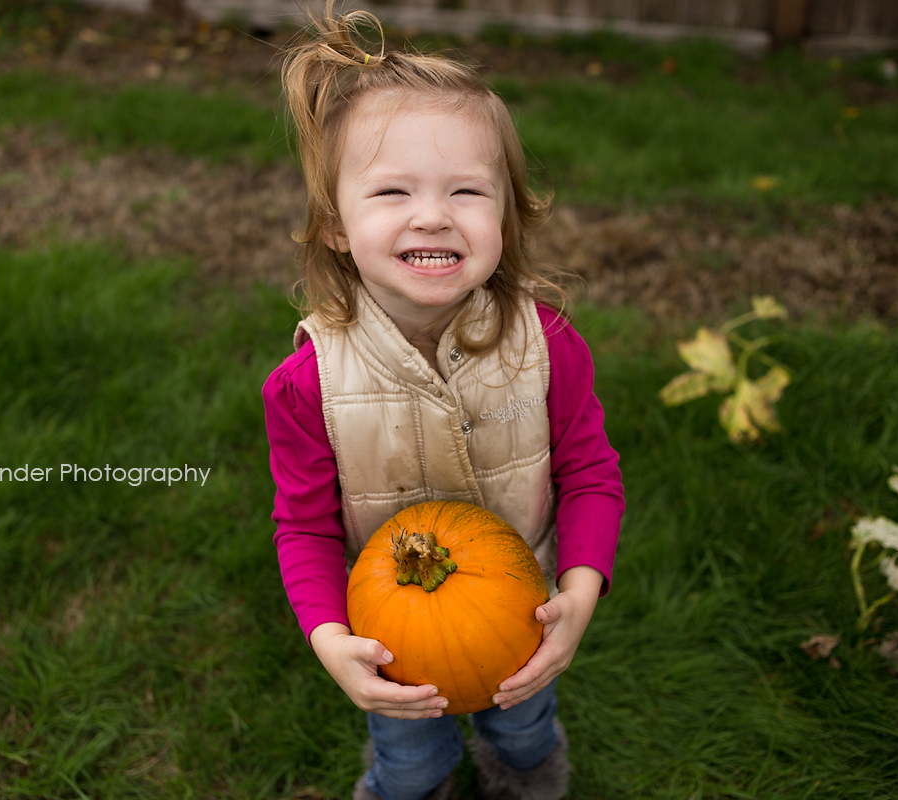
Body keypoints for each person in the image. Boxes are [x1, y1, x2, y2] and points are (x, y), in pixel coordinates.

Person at [262, 5, 625, 799]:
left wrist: (582, 586)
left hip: (523, 610)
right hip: (393, 630)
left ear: (506, 213)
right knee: (410, 760)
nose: (433, 214)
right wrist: (330, 638)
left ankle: (529, 781)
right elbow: (305, 524)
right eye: (393, 191)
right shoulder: (306, 384)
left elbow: (591, 471)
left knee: (523, 729)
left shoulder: (547, 346)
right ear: (333, 226)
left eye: (466, 190)